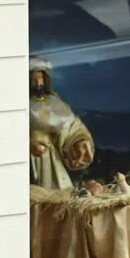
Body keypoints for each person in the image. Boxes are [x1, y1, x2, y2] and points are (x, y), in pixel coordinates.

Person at [29, 56, 95, 191]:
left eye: (40, 78)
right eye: (34, 79)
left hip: (52, 160)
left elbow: (70, 126)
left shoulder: (54, 102)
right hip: (29, 161)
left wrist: (80, 143)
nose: (38, 83)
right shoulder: (19, 104)